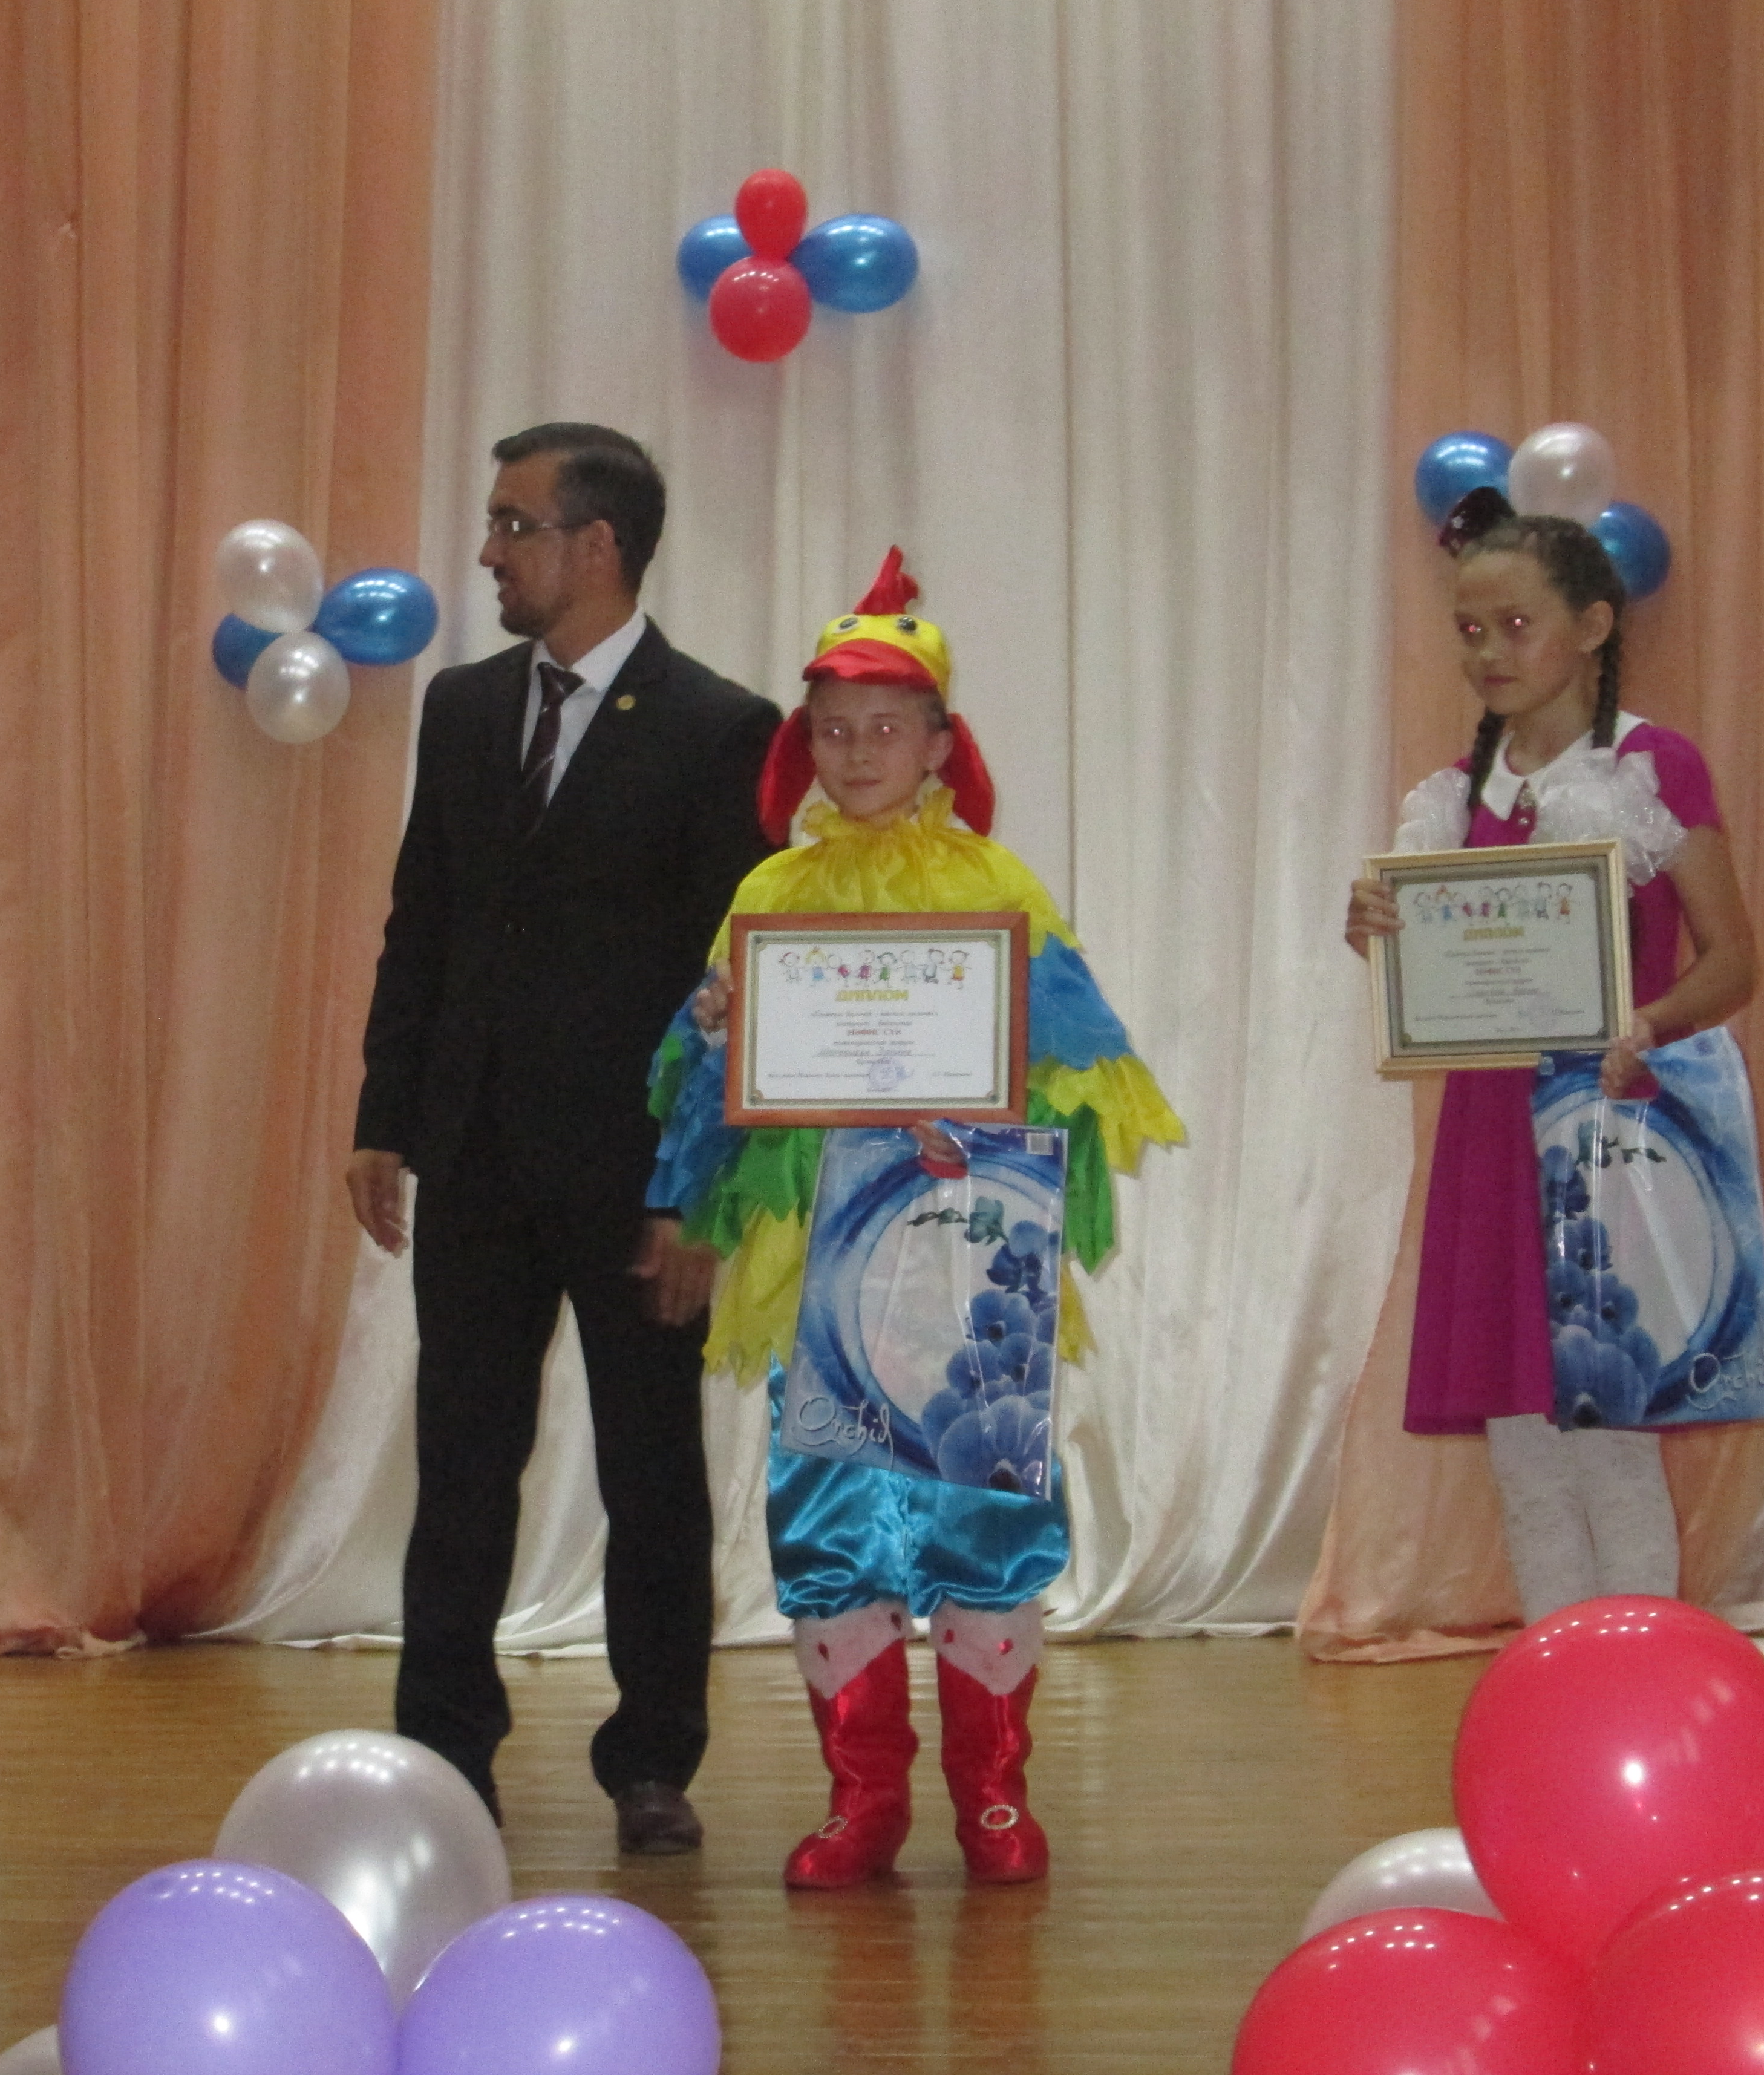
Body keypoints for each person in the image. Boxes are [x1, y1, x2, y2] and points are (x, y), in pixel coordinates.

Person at [644, 551, 1181, 1887]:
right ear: (804, 744)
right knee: (836, 1524)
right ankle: (863, 1802)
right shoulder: (768, 897)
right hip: (818, 1263)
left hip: (965, 1263)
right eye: (833, 730)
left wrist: (982, 1131)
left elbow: (1077, 1077)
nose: (858, 752)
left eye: (886, 728)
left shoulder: (999, 889)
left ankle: (992, 1797)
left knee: (981, 1513)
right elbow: (712, 1093)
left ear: (941, 743)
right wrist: (711, 1028)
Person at [348, 423, 779, 1854]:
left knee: (652, 1472)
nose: (488, 553)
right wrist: (384, 1118)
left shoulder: (721, 728)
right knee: (463, 1463)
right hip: (474, 1155)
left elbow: (735, 984)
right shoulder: (464, 708)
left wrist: (698, 1194)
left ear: (598, 547)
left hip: (637, 1176)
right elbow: (423, 924)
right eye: (493, 524)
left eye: (514, 526)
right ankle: (441, 1750)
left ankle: (652, 1758)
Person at [1342, 489, 1764, 1626]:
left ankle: (1639, 1676)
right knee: (1525, 1451)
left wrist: (1648, 1025)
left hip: (1607, 1136)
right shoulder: (1451, 799)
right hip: (1489, 1147)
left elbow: (1734, 961)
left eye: (1517, 625)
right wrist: (1381, 930)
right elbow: (1445, 984)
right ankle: (1560, 1676)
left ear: (1595, 626)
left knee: (1611, 1437)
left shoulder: (1650, 767)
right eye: (1471, 630)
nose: (1489, 652)